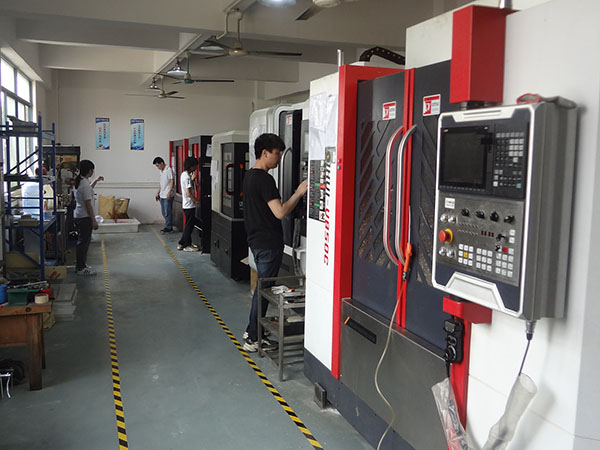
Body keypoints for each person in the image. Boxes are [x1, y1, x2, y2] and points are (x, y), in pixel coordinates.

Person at [242, 133, 308, 352]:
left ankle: (251, 330)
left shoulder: (249, 176)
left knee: (262, 289)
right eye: (277, 153)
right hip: (268, 244)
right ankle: (253, 338)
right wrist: (299, 193)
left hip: (256, 241)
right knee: (264, 290)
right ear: (265, 153)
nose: (279, 158)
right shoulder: (265, 179)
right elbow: (279, 212)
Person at [73, 160, 99, 275]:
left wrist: (96, 181)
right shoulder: (84, 185)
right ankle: (81, 268)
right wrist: (94, 220)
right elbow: (88, 204)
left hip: (79, 215)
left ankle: (81, 264)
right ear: (90, 170)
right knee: (83, 243)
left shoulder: (81, 182)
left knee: (83, 242)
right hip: (84, 217)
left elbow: (89, 190)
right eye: (92, 169)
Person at [177, 157, 200, 252]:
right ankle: (186, 245)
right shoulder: (186, 177)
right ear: (191, 166)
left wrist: (192, 180)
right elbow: (188, 193)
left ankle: (182, 243)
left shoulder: (184, 175)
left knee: (189, 225)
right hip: (189, 205)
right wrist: (196, 200)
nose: (196, 168)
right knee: (189, 227)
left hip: (186, 205)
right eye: (195, 166)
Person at [153, 156, 175, 233]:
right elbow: (161, 183)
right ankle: (167, 225)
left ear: (162, 163)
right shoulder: (161, 171)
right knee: (164, 212)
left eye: (158, 165)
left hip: (167, 194)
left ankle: (169, 227)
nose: (158, 167)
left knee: (167, 212)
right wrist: (158, 192)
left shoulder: (169, 170)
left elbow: (172, 181)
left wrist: (169, 192)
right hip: (162, 194)